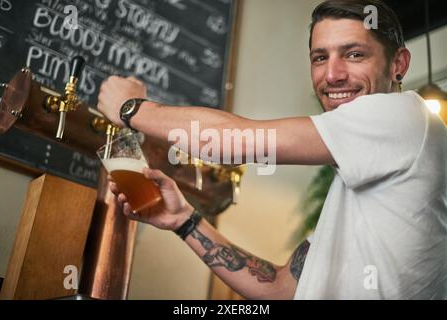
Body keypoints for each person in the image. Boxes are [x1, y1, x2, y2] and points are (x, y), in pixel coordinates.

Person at [97, 0, 446, 299]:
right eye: (320, 58)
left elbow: (239, 140)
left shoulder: (404, 116)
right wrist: (184, 220)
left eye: (354, 54)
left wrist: (132, 108)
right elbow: (280, 287)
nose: (333, 75)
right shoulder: (363, 181)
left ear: (398, 64)